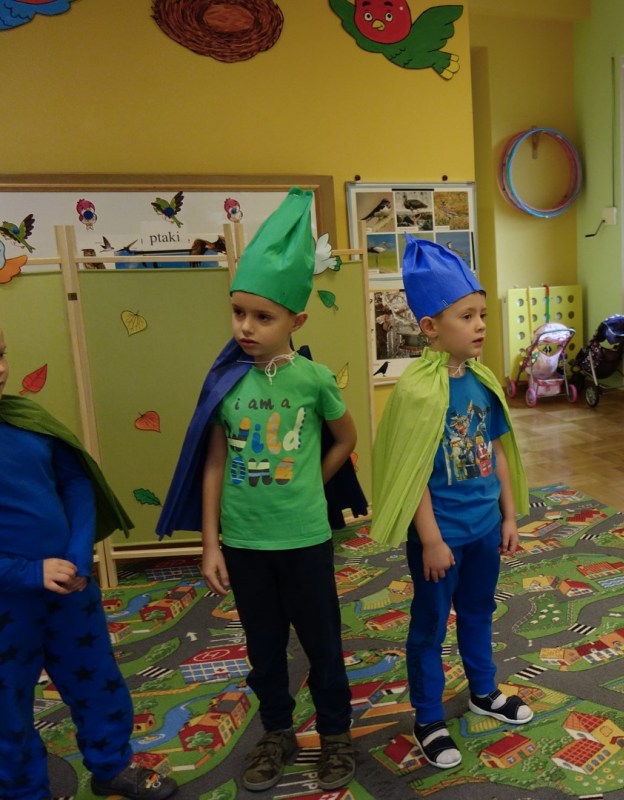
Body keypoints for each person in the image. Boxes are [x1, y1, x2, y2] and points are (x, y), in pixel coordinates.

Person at [158, 188, 366, 792]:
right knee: (264, 648)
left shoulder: (313, 379)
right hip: (246, 544)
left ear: (296, 321)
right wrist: (211, 543)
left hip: (304, 539)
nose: (246, 327)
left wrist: (310, 483)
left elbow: (346, 439)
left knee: (323, 645)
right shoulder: (227, 382)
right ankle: (277, 731)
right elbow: (214, 464)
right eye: (239, 313)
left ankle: (335, 734)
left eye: (263, 316)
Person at [372, 236, 532, 769]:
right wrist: (431, 540)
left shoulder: (482, 382)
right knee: (430, 626)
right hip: (440, 537)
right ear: (430, 327)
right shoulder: (416, 392)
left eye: (482, 315)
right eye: (466, 316)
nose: (480, 325)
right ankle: (427, 718)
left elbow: (497, 450)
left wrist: (508, 515)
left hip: (484, 527)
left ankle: (484, 691)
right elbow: (413, 472)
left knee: (480, 612)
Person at [0, 324, 178, 800]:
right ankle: (24, 791)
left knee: (97, 681)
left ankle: (111, 765)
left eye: (0, 353)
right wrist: (27, 572)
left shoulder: (26, 420)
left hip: (69, 589)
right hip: (6, 606)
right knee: (7, 709)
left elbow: (75, 482)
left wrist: (79, 554)